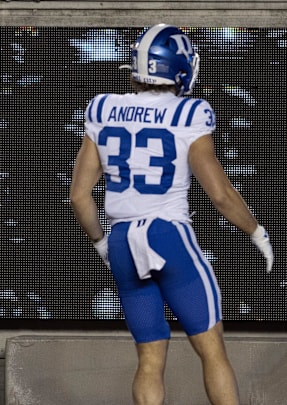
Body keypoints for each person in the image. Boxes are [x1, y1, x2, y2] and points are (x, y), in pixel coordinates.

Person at [70, 24, 274, 405]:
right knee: (211, 349)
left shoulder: (103, 107)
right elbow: (221, 194)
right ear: (179, 67)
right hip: (167, 234)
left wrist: (101, 242)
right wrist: (256, 231)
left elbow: (79, 196)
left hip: (121, 240)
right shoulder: (190, 112)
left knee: (149, 358)